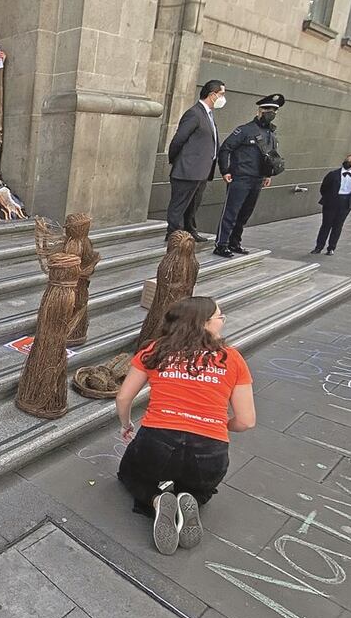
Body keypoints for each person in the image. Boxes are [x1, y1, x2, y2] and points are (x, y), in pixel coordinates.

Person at [115, 296, 255, 555]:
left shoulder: (155, 350)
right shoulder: (232, 359)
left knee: (130, 472)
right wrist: (219, 424)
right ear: (203, 324)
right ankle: (191, 498)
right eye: (219, 317)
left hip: (156, 444)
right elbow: (246, 421)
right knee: (202, 484)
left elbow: (124, 397)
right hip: (209, 452)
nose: (223, 322)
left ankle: (156, 500)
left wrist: (127, 424)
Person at [215, 93, 285, 258]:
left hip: (257, 179)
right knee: (231, 213)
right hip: (241, 178)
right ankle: (221, 244)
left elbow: (271, 157)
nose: (271, 112)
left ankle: (235, 242)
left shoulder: (271, 134)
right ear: (259, 110)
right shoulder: (245, 130)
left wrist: (269, 175)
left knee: (245, 214)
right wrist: (225, 171)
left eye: (274, 110)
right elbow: (225, 149)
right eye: (267, 109)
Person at [165, 80, 225, 243]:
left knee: (193, 205)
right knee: (179, 205)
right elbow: (178, 140)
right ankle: (174, 236)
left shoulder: (208, 115)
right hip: (187, 170)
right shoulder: (194, 113)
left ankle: (190, 231)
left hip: (202, 171)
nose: (222, 98)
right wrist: (178, 161)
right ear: (212, 95)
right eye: (221, 95)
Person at [311, 153, 351, 256]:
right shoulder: (333, 174)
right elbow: (324, 188)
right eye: (347, 160)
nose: (348, 162)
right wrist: (330, 197)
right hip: (331, 201)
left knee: (338, 226)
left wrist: (348, 198)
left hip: (346, 203)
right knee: (326, 225)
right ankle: (319, 247)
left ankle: (331, 248)